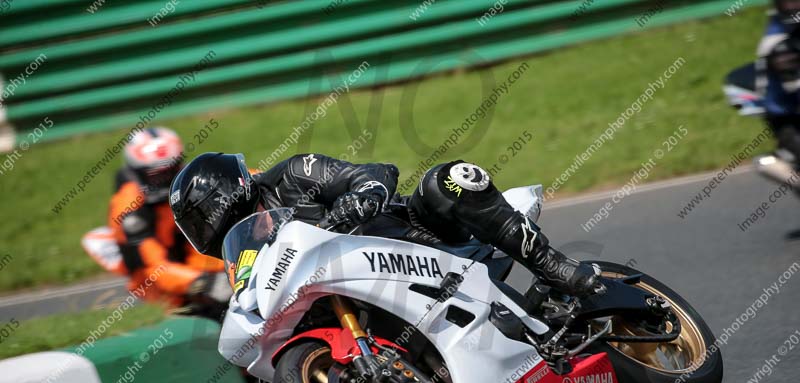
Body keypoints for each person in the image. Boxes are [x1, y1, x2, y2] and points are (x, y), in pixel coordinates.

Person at [170, 151, 601, 298]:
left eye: (247, 222)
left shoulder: (293, 174)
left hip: (417, 236)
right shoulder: (246, 256)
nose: (253, 231)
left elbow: (371, 173)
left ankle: (553, 266)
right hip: (362, 291)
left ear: (242, 196)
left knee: (447, 180)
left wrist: (362, 197)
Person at [108, 127, 230, 310]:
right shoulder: (129, 208)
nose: (165, 180)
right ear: (137, 172)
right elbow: (154, 267)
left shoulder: (188, 183)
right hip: (158, 284)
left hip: (190, 259)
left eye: (171, 170)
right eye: (156, 175)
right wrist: (204, 283)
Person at [757, 1, 800, 167]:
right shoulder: (775, 40)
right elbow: (792, 85)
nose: (794, 6)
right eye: (788, 2)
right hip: (787, 115)